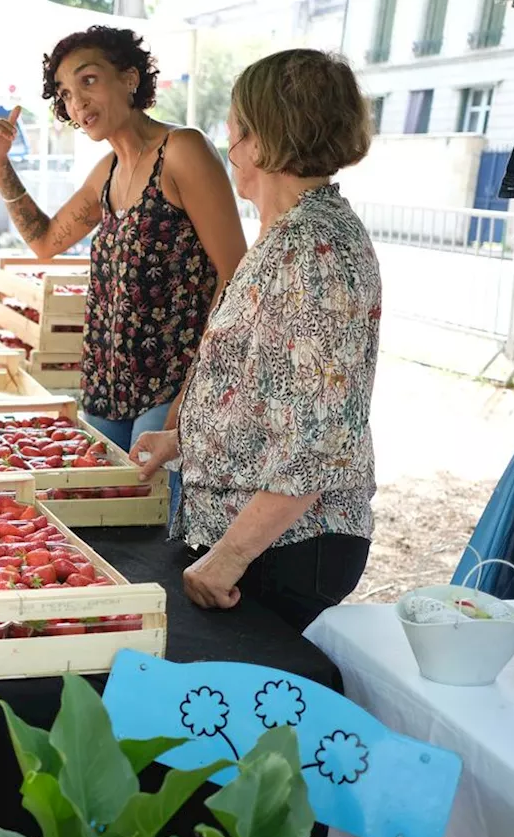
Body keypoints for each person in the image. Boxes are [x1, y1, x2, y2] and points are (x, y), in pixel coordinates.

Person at [132, 49, 380, 633]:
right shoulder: (288, 233)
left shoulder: (313, 250)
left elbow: (317, 440)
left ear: (266, 140)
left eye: (235, 133)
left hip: (285, 547)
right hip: (258, 538)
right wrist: (186, 440)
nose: (231, 150)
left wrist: (229, 559)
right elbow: (265, 385)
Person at [0, 26, 245, 454]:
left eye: (89, 80)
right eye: (64, 93)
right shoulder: (107, 172)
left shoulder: (182, 150)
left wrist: (192, 391)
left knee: (157, 517)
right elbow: (45, 241)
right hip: (105, 390)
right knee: (113, 515)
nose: (76, 102)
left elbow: (236, 274)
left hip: (170, 387)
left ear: (130, 79)